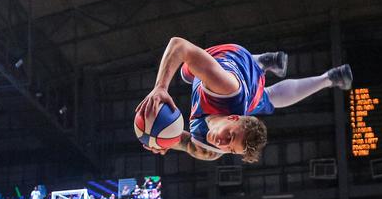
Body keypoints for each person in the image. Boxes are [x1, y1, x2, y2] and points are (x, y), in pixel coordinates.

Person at [136, 38, 353, 163]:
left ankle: (330, 78)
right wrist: (160, 87)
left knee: (269, 99)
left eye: (230, 149)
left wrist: (163, 141)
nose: (221, 143)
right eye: (229, 136)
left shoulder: (211, 149)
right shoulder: (224, 88)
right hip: (235, 59)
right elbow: (179, 45)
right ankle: (261, 61)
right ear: (233, 117)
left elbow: (184, 143)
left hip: (251, 97)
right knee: (185, 72)